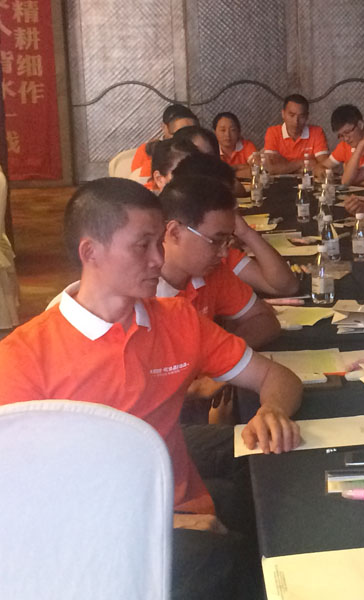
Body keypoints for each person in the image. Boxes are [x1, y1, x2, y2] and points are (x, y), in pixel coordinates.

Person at [0, 178, 303, 598]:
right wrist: (160, 525)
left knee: (278, 516)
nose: (158, 260)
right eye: (141, 246)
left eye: (159, 244)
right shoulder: (24, 357)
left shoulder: (177, 320)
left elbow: (278, 378)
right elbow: (25, 500)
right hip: (103, 534)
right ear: (90, 252)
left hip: (182, 505)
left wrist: (272, 410)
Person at [157, 175, 281, 350]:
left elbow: (264, 319)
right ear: (175, 233)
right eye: (215, 241)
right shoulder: (137, 293)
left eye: (227, 241)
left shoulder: (211, 272)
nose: (223, 253)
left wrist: (221, 353)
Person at [171, 153, 300, 297]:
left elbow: (286, 286)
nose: (234, 207)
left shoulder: (216, 252)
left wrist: (246, 233)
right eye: (223, 202)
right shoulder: (160, 280)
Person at [263, 94, 329, 174]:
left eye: (301, 116)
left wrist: (284, 165)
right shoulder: (273, 132)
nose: (296, 121)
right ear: (283, 114)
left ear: (307, 116)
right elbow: (270, 168)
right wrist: (301, 163)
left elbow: (324, 167)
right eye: (292, 115)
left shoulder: (317, 132)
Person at [131, 104, 198, 181]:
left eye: (192, 132)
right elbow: (137, 181)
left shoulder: (200, 147)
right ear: (164, 127)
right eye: (178, 132)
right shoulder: (147, 151)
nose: (185, 137)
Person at [320, 104, 364, 174]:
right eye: (341, 135)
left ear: (360, 125)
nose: (346, 139)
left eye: (347, 132)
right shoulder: (345, 146)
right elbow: (322, 167)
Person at [213, 112, 257, 176]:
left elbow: (256, 168)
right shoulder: (211, 149)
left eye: (232, 130)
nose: (227, 135)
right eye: (223, 130)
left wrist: (232, 169)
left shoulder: (247, 145)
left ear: (239, 132)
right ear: (215, 132)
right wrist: (243, 167)